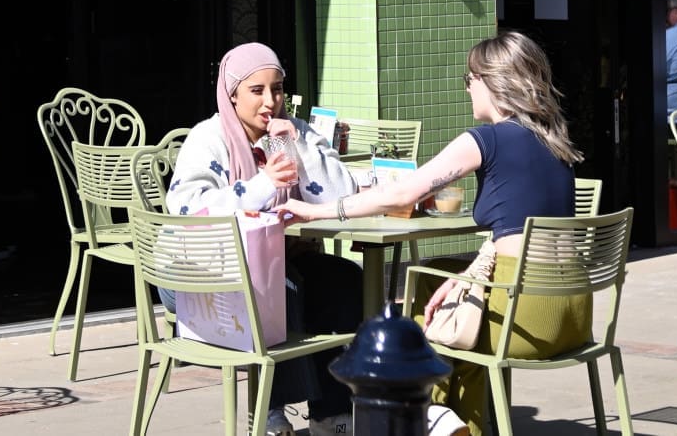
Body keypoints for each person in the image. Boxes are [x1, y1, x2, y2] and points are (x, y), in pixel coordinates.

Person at [287, 33, 586, 434]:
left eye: (469, 79)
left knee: (417, 312)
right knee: (437, 279)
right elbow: (517, 232)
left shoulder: (488, 139)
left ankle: (427, 419)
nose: (467, 88)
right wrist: (462, 279)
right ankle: (451, 421)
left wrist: (320, 210)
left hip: (525, 320)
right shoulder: (555, 144)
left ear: (491, 80)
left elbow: (404, 193)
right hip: (572, 315)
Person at [166, 42, 360, 436]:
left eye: (277, 89)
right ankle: (271, 413)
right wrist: (263, 184)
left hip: (279, 262)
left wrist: (299, 147)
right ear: (232, 94)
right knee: (282, 291)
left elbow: (344, 195)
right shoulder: (208, 139)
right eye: (257, 91)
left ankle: (331, 414)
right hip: (202, 273)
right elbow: (186, 208)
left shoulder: (294, 132)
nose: (270, 101)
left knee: (346, 282)